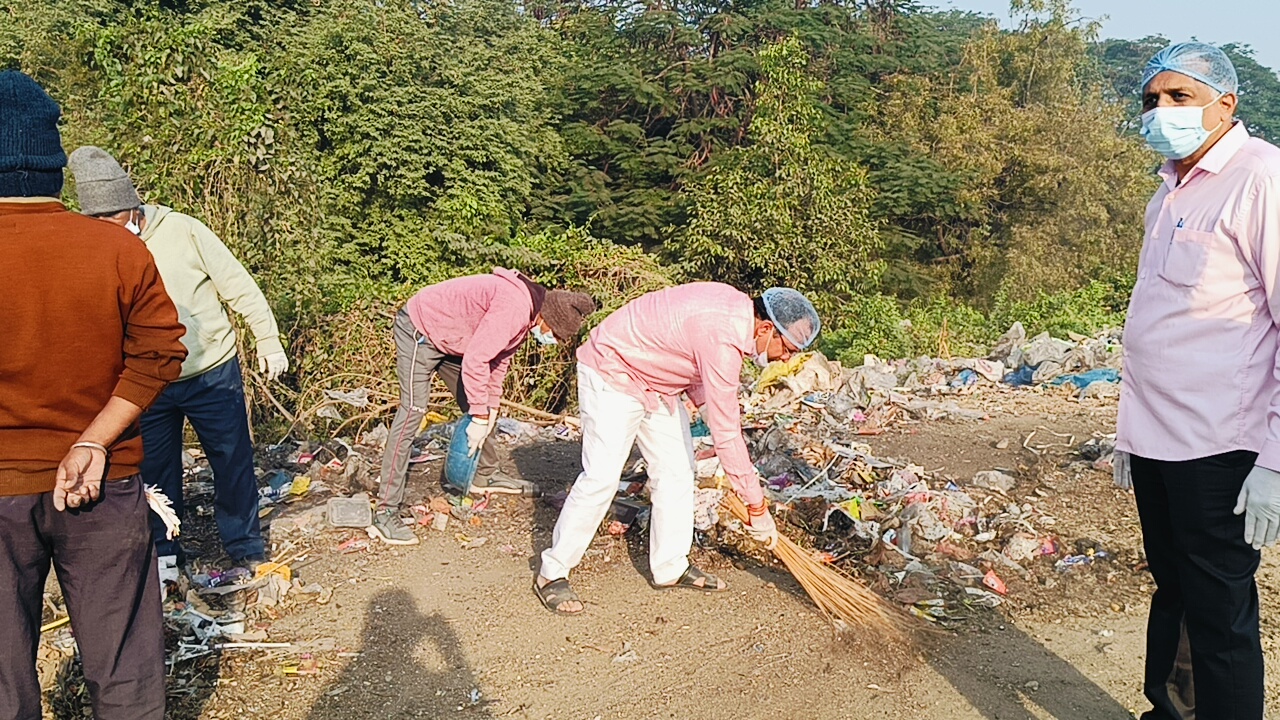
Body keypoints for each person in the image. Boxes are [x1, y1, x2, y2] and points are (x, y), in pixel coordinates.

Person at [0, 71, 187, 719]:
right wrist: (94, 440)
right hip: (103, 481)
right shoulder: (116, 248)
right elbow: (161, 353)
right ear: (55, 166)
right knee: (125, 667)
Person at [1114, 42, 1280, 720]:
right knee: (1175, 591)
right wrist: (1130, 435)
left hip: (1220, 446)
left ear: (1225, 104)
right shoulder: (1169, 191)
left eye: (1179, 97)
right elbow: (1165, 318)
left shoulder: (1260, 178)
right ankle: (1172, 712)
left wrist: (1274, 461)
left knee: (1219, 613)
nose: (1162, 111)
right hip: (1157, 441)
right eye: (1151, 100)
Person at [67, 146, 288, 580]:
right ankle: (165, 554)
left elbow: (237, 284)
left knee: (231, 460)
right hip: (147, 381)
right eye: (98, 221)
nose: (109, 228)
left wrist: (268, 340)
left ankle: (244, 545)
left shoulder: (183, 231)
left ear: (132, 207)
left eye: (114, 218)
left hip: (210, 371)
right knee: (155, 471)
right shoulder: (97, 247)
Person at [535, 284, 820, 614]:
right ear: (766, 328)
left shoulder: (736, 315)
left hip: (657, 383)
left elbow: (690, 355)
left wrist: (706, 405)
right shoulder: (725, 335)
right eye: (787, 349)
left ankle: (670, 566)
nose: (785, 358)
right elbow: (727, 434)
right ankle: (552, 572)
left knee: (678, 471)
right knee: (602, 476)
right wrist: (756, 505)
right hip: (612, 370)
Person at [370, 270, 595, 545]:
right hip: (421, 331)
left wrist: (491, 407)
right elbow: (476, 360)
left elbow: (497, 363)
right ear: (547, 320)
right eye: (556, 336)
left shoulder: (527, 317)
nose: (554, 342)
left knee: (479, 403)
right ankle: (385, 511)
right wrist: (479, 414)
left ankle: (485, 474)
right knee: (412, 414)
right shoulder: (514, 309)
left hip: (452, 340)